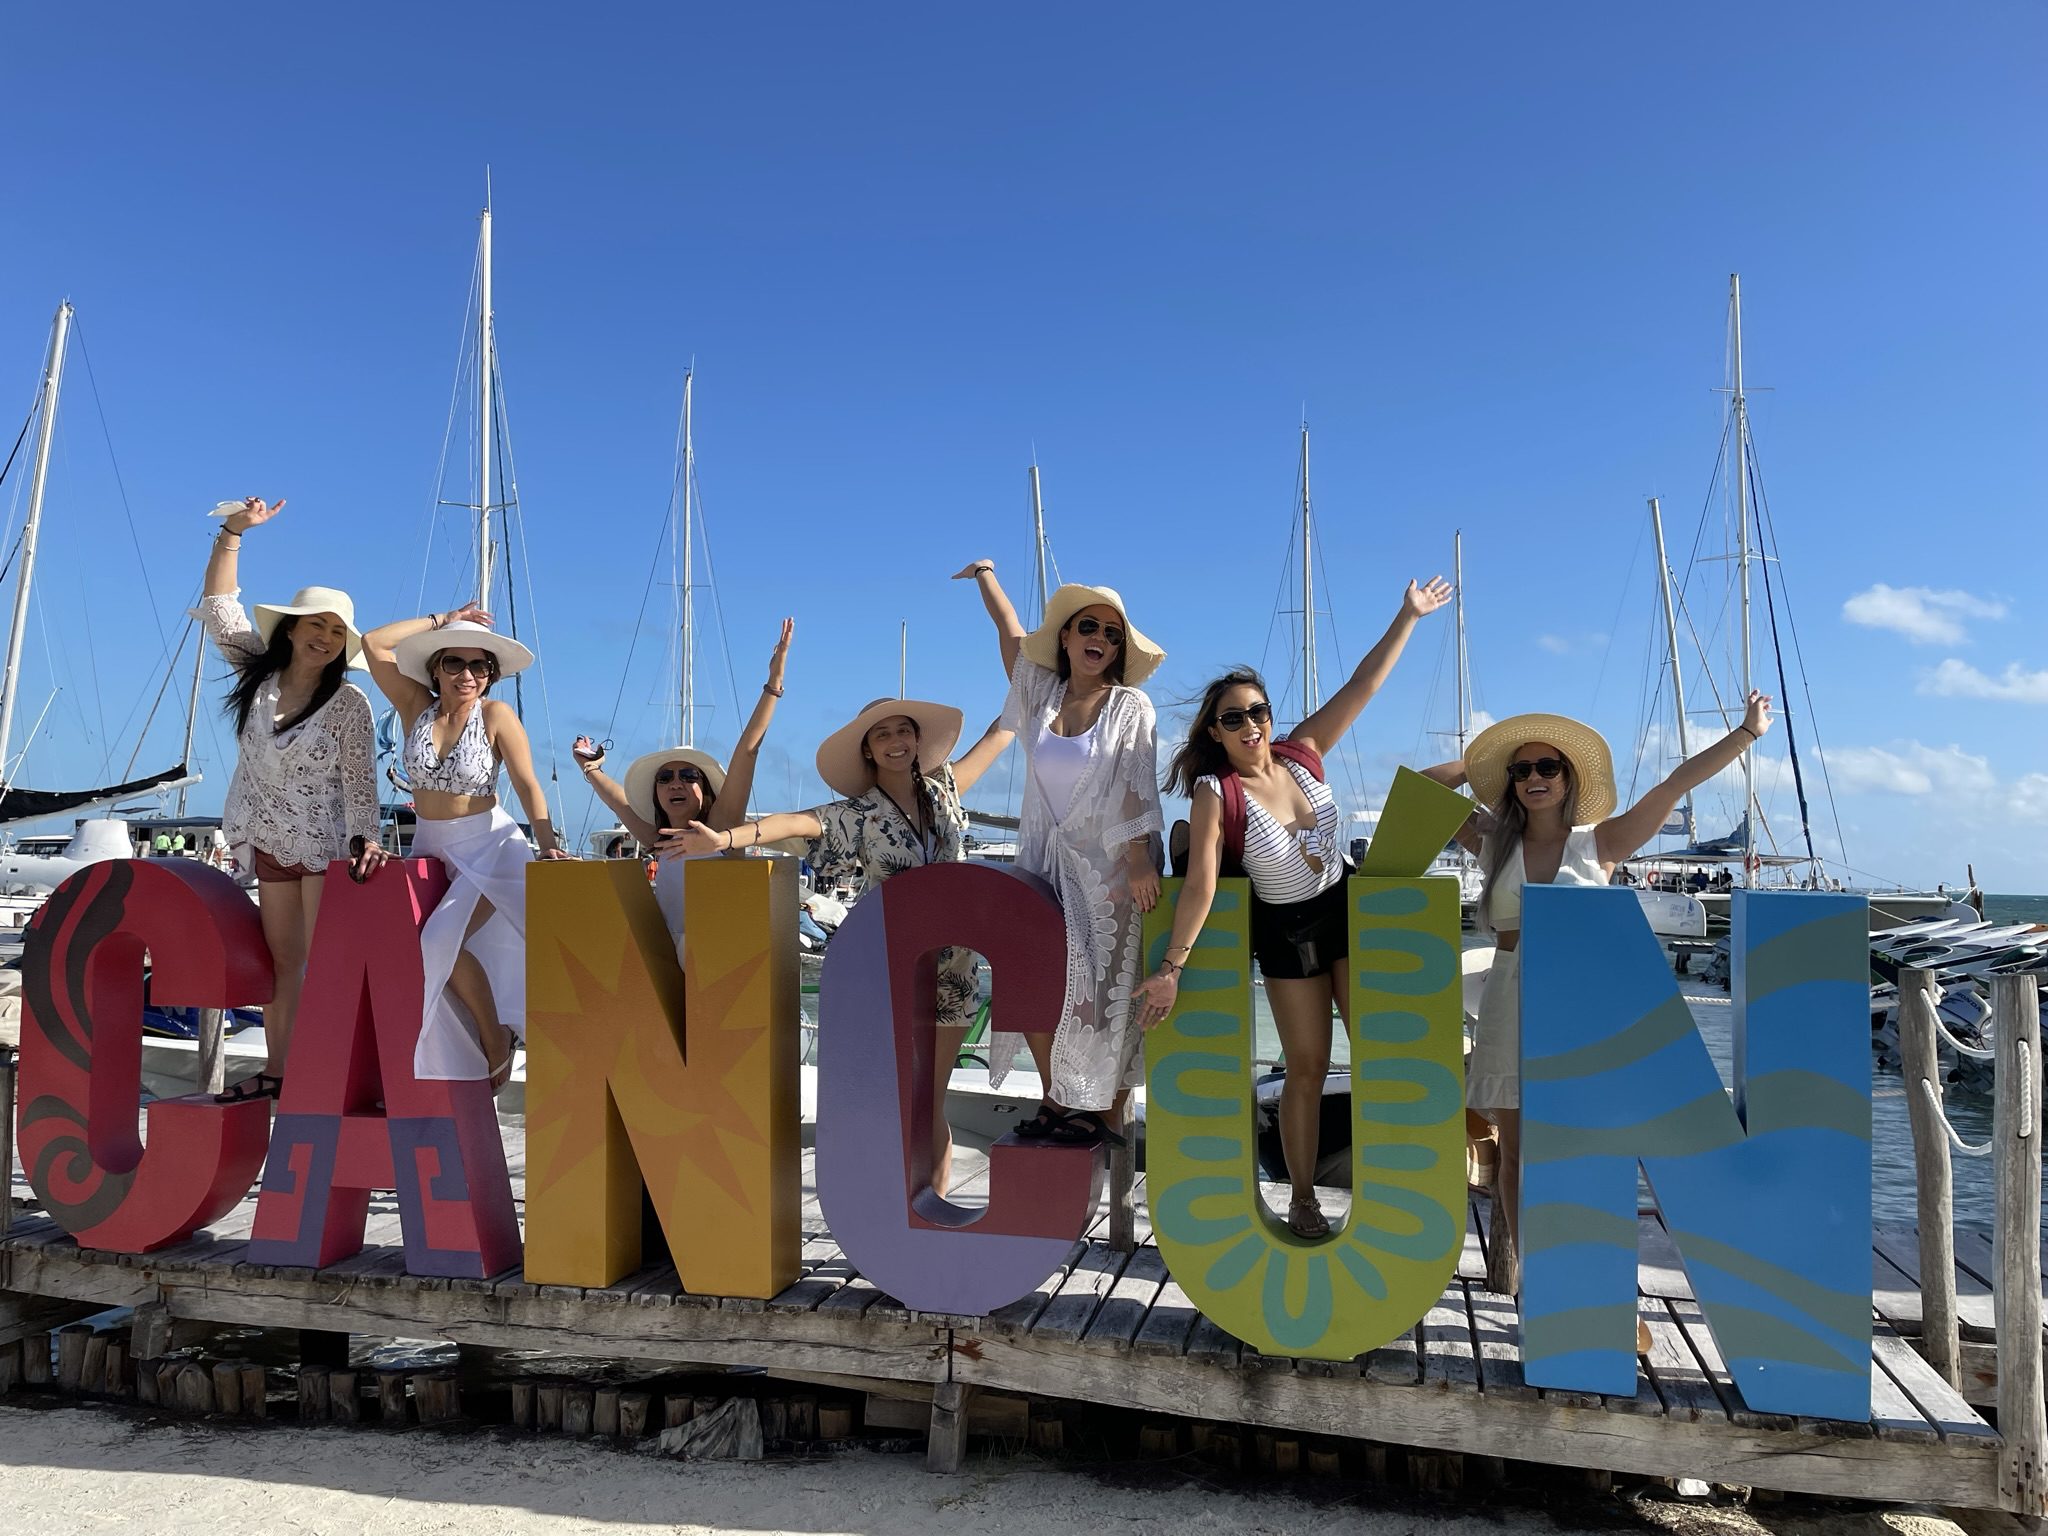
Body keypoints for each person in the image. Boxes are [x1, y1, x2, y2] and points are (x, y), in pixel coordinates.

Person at [1134, 577, 1454, 1236]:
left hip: (1348, 914)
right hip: (1290, 936)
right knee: (1306, 1069)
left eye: (1257, 711)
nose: (1250, 725)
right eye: (1233, 718)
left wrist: (1408, 616)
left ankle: (1397, 1193)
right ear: (1215, 732)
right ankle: (1302, 1196)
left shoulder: (1300, 755)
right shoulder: (1214, 792)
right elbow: (1199, 886)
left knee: (1382, 1055)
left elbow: (1361, 687)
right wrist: (1170, 968)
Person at [1452, 690, 1775, 1293]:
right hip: (1511, 999)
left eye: (1547, 766)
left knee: (1580, 1150)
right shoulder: (1495, 844)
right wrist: (1477, 767)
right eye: (1520, 770)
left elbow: (1675, 783)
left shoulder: (1599, 843)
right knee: (1516, 1154)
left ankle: (1588, 1286)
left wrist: (1748, 734)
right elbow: (1416, 795)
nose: (1533, 778)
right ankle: (1538, 1277)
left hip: (1579, 1008)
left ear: (1569, 777)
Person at [663, 696, 1013, 1196]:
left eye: (902, 731)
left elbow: (1002, 732)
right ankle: (894, 1204)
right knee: (901, 1096)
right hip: (892, 965)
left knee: (931, 1097)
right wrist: (724, 841)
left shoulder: (946, 789)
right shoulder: (859, 815)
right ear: (868, 750)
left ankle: (929, 1208)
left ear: (917, 740)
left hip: (955, 967)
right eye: (882, 735)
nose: (895, 742)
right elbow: (792, 822)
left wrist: (1036, 675)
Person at [955, 563, 1165, 1147]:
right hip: (1044, 862)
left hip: (1110, 870)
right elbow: (1009, 631)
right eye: (1088, 626)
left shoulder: (1130, 707)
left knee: (1104, 994)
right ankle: (1058, 1101)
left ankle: (1099, 1114)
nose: (1099, 637)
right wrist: (988, 577)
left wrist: (1141, 854)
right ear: (1066, 637)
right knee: (1038, 982)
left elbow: (1137, 783)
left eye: (1113, 633)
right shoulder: (1040, 694)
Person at [197, 495, 384, 1102]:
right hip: (268, 839)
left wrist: (368, 839)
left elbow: (361, 783)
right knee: (283, 967)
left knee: (331, 966)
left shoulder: (350, 704)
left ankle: (336, 1074)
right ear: (293, 630)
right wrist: (233, 532)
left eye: (337, 630)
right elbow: (221, 610)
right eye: (317, 625)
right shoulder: (258, 674)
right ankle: (280, 1072)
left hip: (328, 847)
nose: (326, 637)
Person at [362, 604, 568, 1087]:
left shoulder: (497, 715)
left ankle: (495, 1040)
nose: (467, 674)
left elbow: (528, 785)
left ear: (491, 675)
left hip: (489, 850)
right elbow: (373, 642)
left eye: (480, 666)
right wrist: (443, 619)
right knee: (420, 953)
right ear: (435, 667)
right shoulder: (415, 705)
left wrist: (548, 845)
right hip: (431, 851)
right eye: (454, 662)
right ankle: (463, 1054)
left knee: (439, 942)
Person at [572, 619, 794, 961]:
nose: (676, 782)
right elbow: (619, 803)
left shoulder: (723, 827)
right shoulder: (659, 839)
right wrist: (590, 768)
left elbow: (748, 750)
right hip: (666, 963)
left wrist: (774, 684)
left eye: (688, 775)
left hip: (716, 962)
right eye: (665, 778)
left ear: (705, 788)